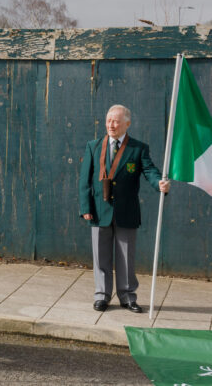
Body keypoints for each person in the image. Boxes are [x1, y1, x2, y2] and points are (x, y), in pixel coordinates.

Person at [79, 104, 170, 314]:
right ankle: (102, 295)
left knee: (126, 257)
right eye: (109, 120)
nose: (111, 125)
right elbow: (84, 180)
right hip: (99, 210)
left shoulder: (137, 149)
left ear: (127, 124)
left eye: (116, 121)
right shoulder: (94, 146)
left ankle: (128, 296)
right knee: (100, 257)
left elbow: (150, 171)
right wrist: (86, 207)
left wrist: (159, 184)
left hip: (126, 211)